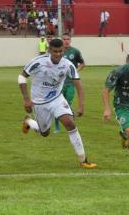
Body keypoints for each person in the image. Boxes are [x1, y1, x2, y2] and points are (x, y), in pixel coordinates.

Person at [18, 38, 97, 168]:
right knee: (44, 133)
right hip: (39, 102)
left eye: (61, 51)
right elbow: (21, 77)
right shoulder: (38, 62)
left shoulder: (68, 65)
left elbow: (79, 85)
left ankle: (84, 160)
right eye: (55, 51)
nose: (58, 54)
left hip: (56, 98)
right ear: (50, 50)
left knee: (70, 123)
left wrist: (81, 105)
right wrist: (26, 99)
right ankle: (29, 121)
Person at [54, 33, 85, 134]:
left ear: (70, 40)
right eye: (64, 39)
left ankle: (72, 124)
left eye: (68, 39)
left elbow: (83, 63)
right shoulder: (57, 52)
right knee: (57, 104)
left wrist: (75, 71)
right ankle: (57, 127)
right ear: (61, 40)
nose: (66, 41)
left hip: (71, 83)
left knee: (67, 103)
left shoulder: (75, 51)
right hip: (58, 83)